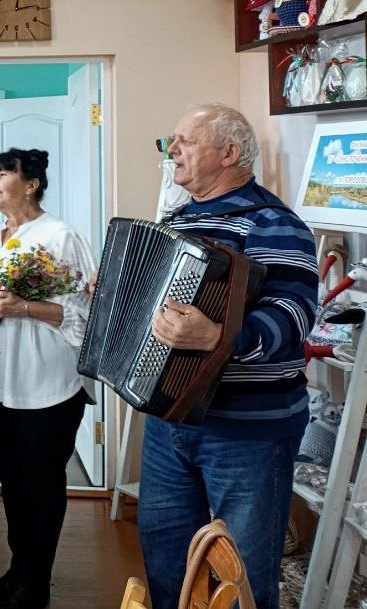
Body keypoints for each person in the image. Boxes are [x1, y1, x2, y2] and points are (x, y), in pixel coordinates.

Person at [137, 105, 316, 609]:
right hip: (170, 419)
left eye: (186, 141)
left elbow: (293, 318)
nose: (172, 151)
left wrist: (218, 337)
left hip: (247, 429)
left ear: (230, 152)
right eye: (171, 140)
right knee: (167, 558)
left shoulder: (273, 223)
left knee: (242, 575)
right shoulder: (178, 220)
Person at [0, 147, 96, 609]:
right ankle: (19, 567)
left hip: (44, 381)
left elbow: (85, 314)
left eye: (2, 174)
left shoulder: (60, 236)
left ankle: (37, 580)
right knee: (11, 480)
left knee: (41, 482)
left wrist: (25, 307)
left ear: (31, 184)